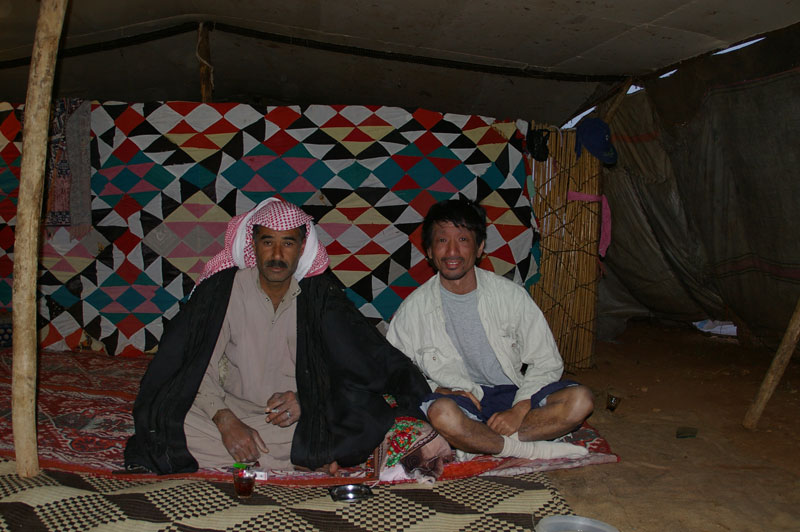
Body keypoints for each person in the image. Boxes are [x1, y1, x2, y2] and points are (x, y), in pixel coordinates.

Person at [124, 198, 432, 474]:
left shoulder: (319, 297)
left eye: (288, 243)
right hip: (230, 409)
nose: (276, 254)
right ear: (253, 244)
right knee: (162, 419)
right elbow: (192, 363)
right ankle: (299, 458)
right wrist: (225, 420)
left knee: (366, 416)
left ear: (301, 248)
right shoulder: (223, 291)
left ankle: (266, 454)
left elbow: (357, 361)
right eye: (267, 242)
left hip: (296, 419)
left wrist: (306, 400)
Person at [386, 198, 593, 461]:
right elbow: (394, 374)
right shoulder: (412, 310)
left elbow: (546, 361)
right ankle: (523, 448)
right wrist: (439, 390)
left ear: (480, 247)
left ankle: (478, 442)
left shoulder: (510, 296)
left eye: (462, 239)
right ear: (428, 250)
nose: (452, 251)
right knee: (441, 414)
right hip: (463, 402)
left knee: (580, 401)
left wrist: (520, 408)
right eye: (441, 240)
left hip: (513, 393)